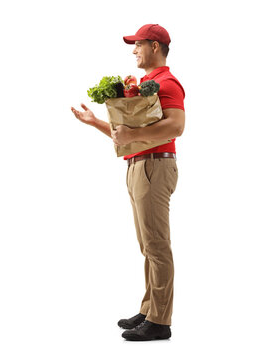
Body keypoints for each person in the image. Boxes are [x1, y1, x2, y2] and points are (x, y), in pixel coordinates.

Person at [71, 24, 185, 341]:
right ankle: (150, 309)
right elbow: (130, 139)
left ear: (155, 46)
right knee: (147, 245)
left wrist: (133, 135)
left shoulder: (167, 83)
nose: (134, 50)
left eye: (138, 44)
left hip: (155, 167)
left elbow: (176, 126)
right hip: (139, 164)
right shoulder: (146, 84)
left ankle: (160, 321)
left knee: (157, 246)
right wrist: (96, 122)